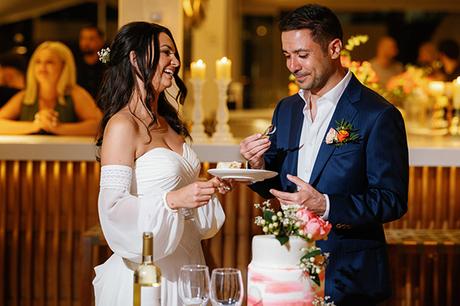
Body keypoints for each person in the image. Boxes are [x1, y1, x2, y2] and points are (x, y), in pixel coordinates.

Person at [240, 4, 408, 306]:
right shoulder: (287, 108)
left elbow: (391, 200)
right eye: (287, 56)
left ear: (334, 48)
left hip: (349, 275)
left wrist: (326, 205)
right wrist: (258, 165)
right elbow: (278, 183)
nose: (292, 66)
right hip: (287, 270)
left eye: (302, 55)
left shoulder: (378, 115)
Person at [94, 21, 231, 306]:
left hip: (189, 264)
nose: (176, 62)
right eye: (166, 52)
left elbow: (183, 191)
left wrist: (209, 187)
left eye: (175, 53)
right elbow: (112, 207)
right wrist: (173, 200)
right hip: (150, 274)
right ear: (135, 58)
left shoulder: (169, 122)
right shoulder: (122, 125)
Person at [0, 41, 102, 135]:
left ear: (63, 66)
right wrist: (35, 126)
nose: (42, 67)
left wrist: (58, 128)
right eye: (38, 62)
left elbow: (99, 125)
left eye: (49, 62)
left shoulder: (75, 94)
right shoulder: (24, 96)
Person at [75, 25, 106, 100]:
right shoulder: (75, 64)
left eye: (91, 39)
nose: (86, 42)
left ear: (101, 41)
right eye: (83, 38)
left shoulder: (107, 64)